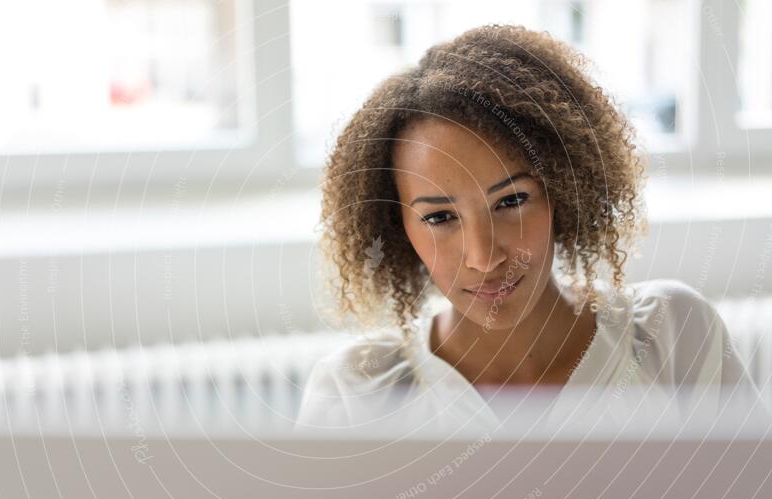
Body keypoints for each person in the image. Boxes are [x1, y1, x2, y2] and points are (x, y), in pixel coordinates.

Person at [294, 24, 766, 435]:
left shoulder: (675, 335)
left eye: (512, 201)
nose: (483, 257)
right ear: (396, 229)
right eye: (439, 217)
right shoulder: (354, 393)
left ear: (564, 189)